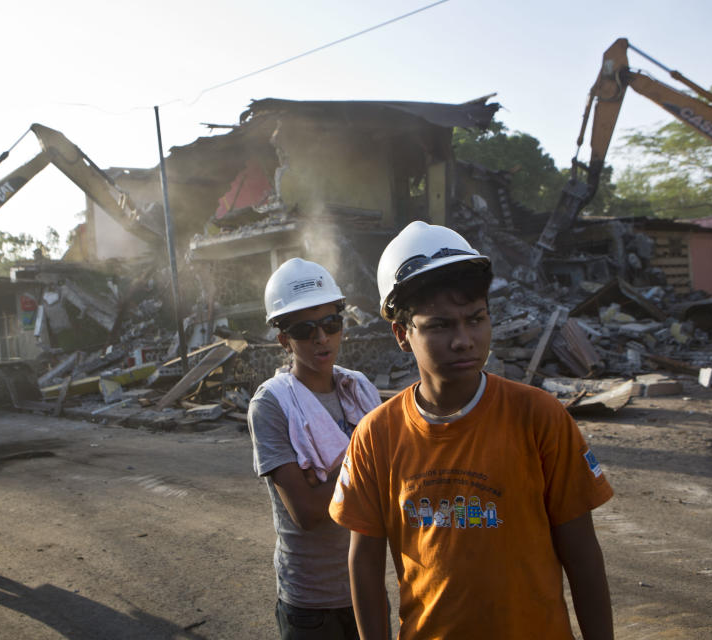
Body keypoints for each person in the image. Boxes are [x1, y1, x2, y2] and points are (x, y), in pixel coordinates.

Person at [329, 221, 614, 640]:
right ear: (402, 334)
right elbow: (365, 564)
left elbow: (583, 555)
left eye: (475, 319)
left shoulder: (539, 417)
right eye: (440, 325)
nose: (465, 339)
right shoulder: (377, 435)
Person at [248, 258, 382, 639]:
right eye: (305, 330)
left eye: (330, 324)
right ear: (283, 339)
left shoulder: (358, 389)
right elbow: (306, 511)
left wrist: (329, 480)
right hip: (312, 604)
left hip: (367, 588)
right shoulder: (272, 405)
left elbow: (396, 474)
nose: (321, 338)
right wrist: (366, 461)